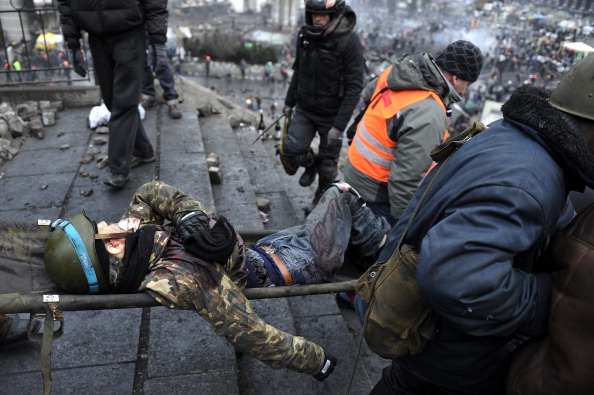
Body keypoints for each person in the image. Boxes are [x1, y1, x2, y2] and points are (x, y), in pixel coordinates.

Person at [361, 54, 594, 394]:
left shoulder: (525, 142)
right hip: (449, 352)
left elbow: (538, 208)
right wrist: (553, 300)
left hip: (433, 336)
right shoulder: (526, 179)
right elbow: (460, 279)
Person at [43, 180, 390, 379]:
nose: (106, 223)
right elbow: (253, 335)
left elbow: (149, 192)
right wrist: (317, 360)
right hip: (296, 261)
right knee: (342, 192)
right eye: (101, 228)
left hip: (268, 248)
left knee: (342, 212)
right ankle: (390, 258)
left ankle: (371, 252)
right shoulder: (184, 276)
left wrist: (189, 213)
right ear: (113, 245)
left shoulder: (134, 245)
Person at [344, 40, 484, 225]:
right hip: (376, 193)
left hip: (354, 171)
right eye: (467, 83)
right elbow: (406, 181)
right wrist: (404, 225)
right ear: (456, 78)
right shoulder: (430, 112)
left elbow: (367, 97)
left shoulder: (397, 71)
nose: (465, 90)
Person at [57, 0, 167, 189]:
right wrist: (73, 44)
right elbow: (65, 3)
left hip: (130, 33)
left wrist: (158, 41)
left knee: (123, 104)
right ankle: (144, 151)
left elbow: (155, 3)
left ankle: (118, 169)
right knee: (112, 102)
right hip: (97, 36)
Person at [280, 0, 364, 211]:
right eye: (313, 14)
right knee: (290, 150)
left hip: (332, 115)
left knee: (328, 168)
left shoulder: (349, 41)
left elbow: (355, 88)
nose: (317, 18)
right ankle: (311, 164)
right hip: (305, 108)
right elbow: (298, 70)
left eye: (322, 15)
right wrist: (289, 102)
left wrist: (339, 126)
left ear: (334, 14)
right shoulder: (305, 35)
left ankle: (319, 201)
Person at [140, 28, 182, 119]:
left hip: (154, 23)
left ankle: (172, 100)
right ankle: (147, 96)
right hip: (139, 25)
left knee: (160, 61)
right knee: (143, 60)